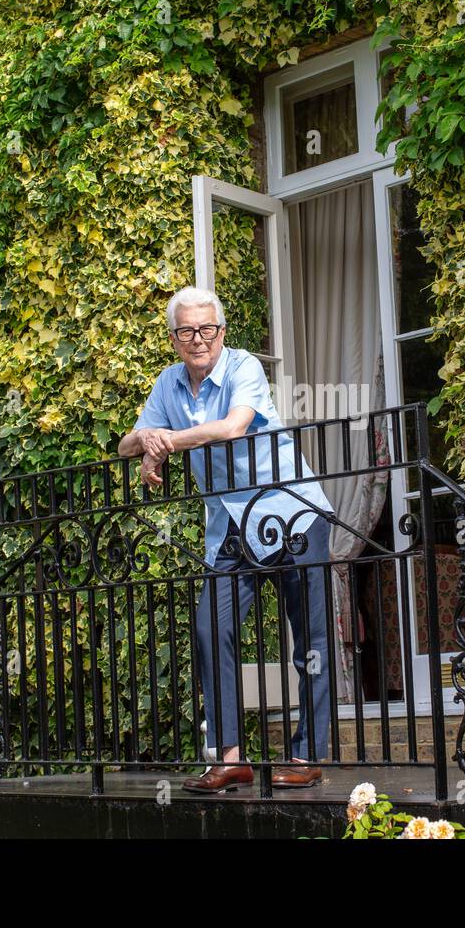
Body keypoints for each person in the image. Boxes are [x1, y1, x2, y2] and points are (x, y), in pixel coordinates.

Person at [118, 286, 334, 792]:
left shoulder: (244, 368)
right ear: (174, 338)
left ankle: (307, 755)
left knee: (312, 642)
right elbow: (128, 442)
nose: (200, 340)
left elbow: (234, 427)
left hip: (293, 517)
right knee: (210, 629)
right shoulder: (168, 383)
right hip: (232, 530)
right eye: (188, 331)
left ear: (221, 331)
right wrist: (148, 441)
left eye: (208, 329)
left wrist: (166, 441)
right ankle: (230, 756)